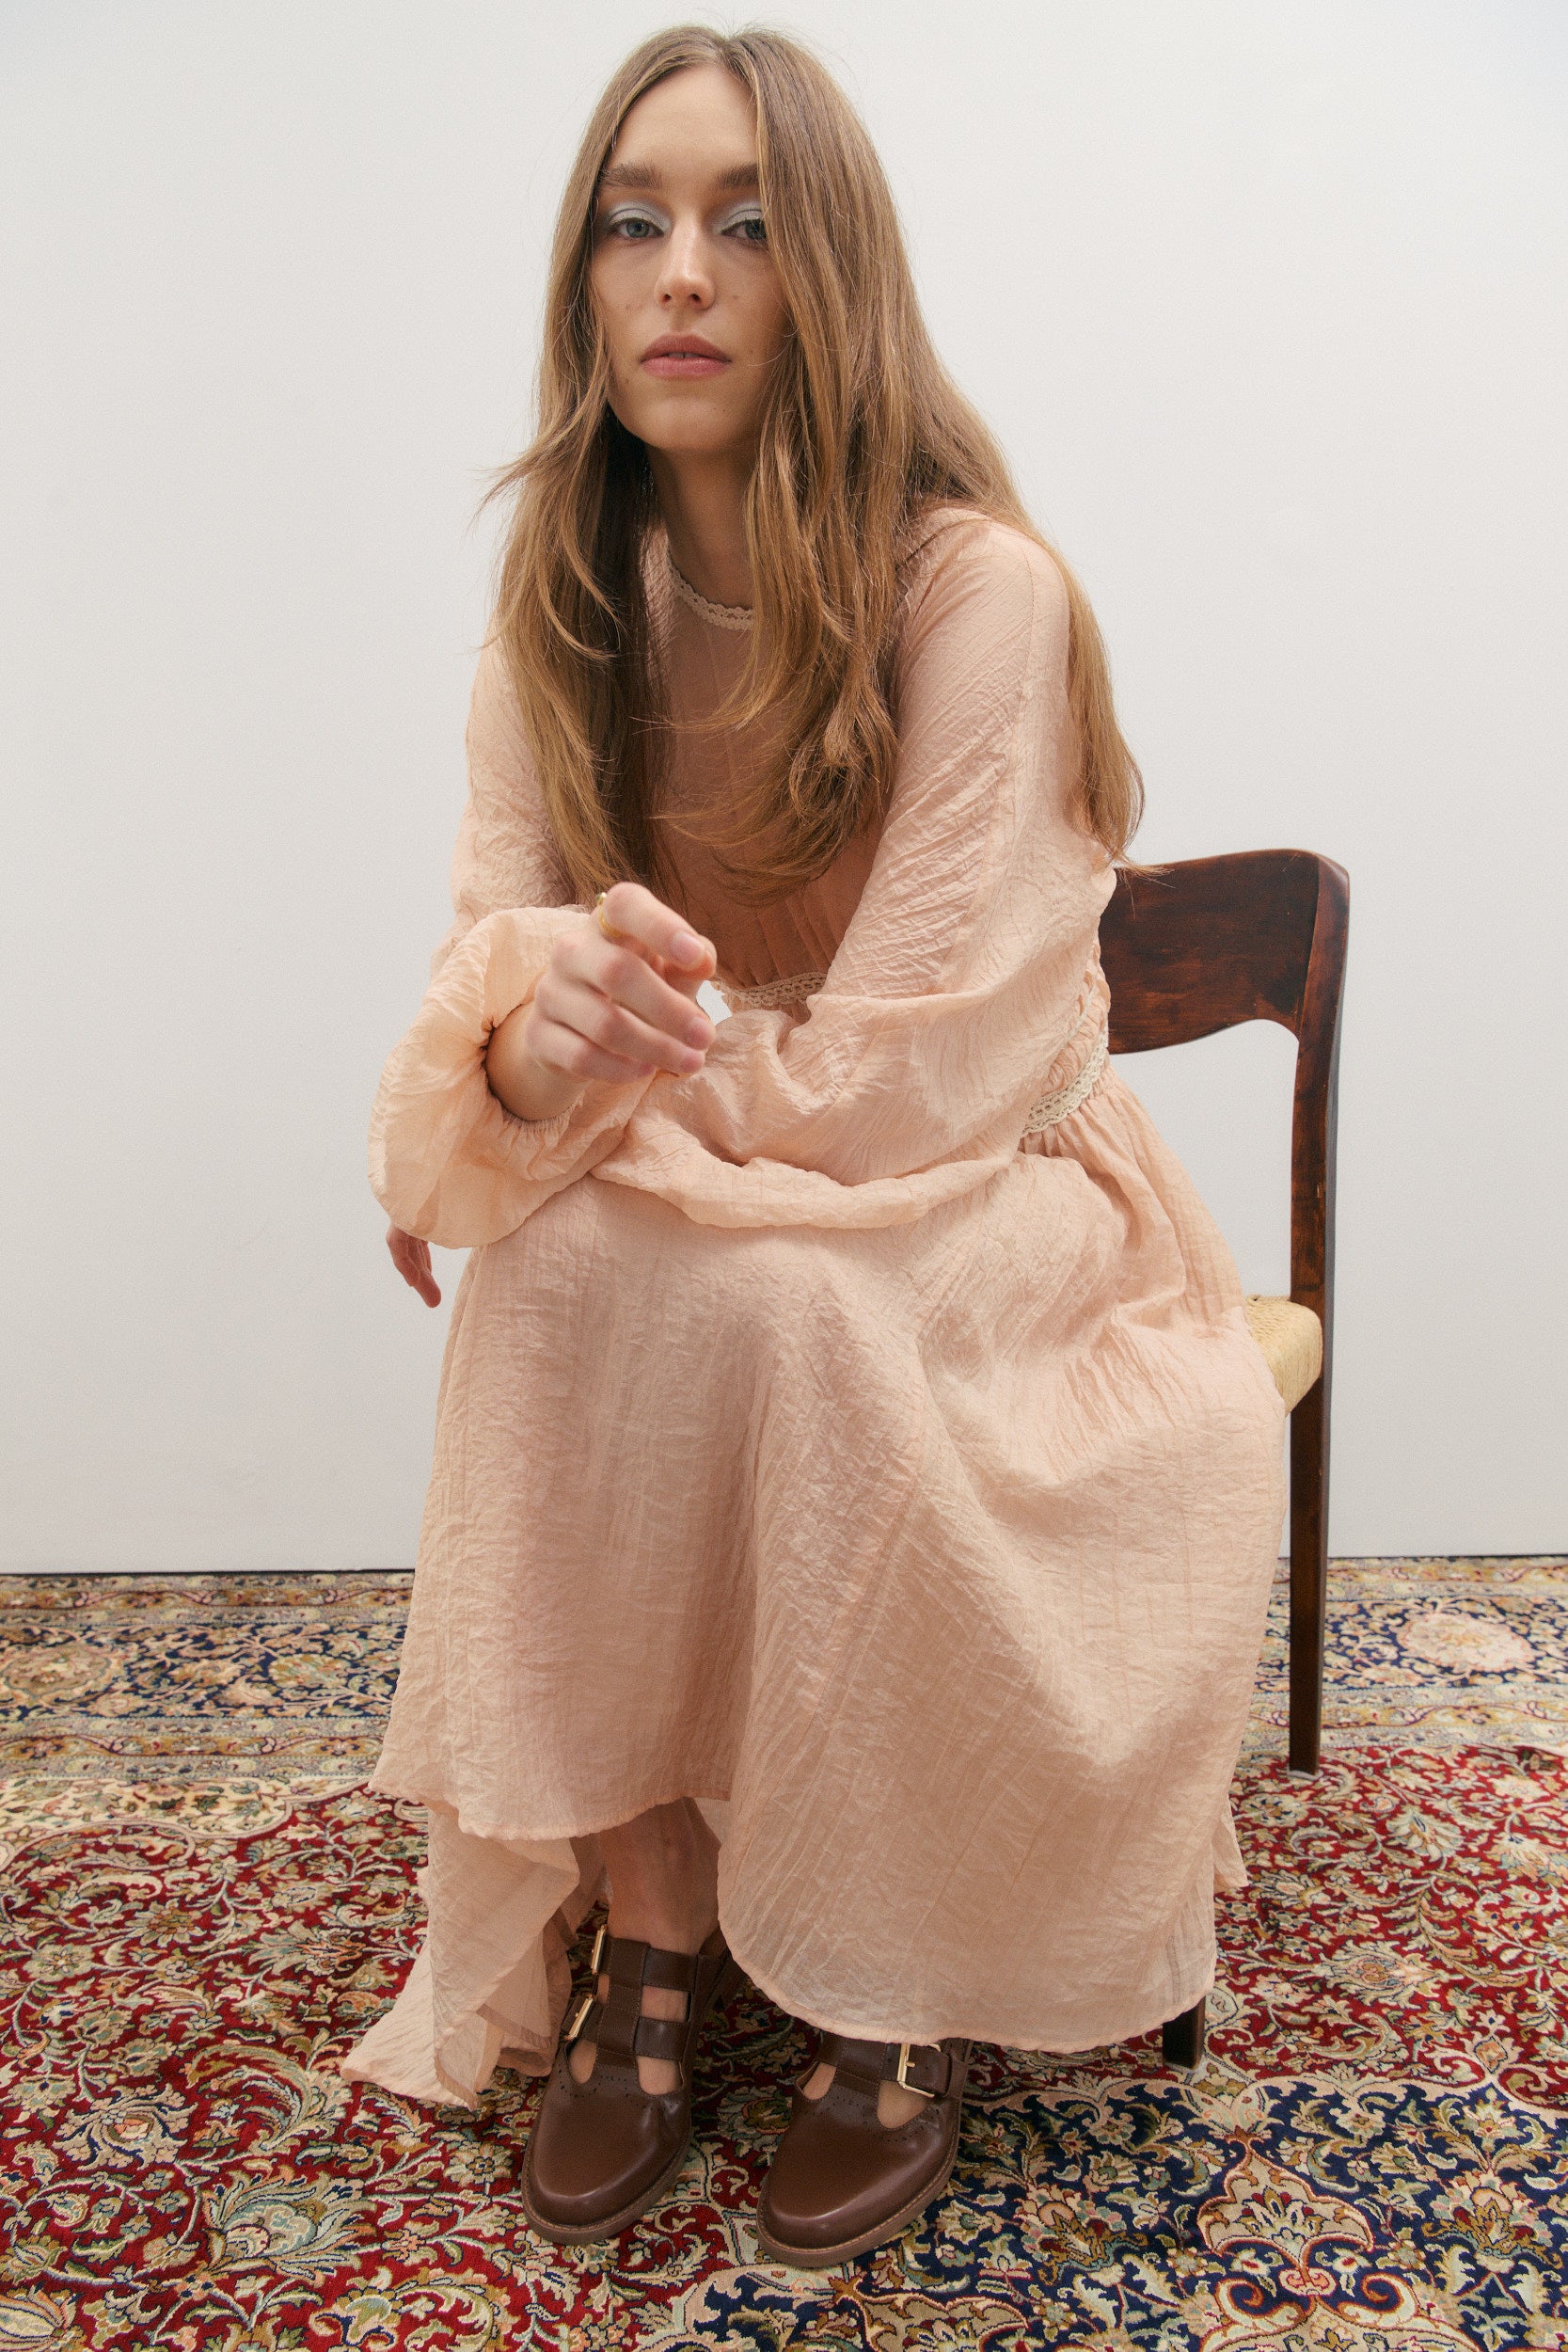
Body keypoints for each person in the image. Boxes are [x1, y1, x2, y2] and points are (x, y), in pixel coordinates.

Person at [343, 24, 1287, 2269]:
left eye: (747, 223)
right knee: (565, 1273)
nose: (682, 271)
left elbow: (901, 1080)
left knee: (789, 1294)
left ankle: (894, 1973)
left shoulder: (979, 593)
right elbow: (496, 969)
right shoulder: (556, 611)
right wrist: (530, 1040)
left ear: (832, 274)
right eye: (634, 219)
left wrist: (560, 1078)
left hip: (998, 1179)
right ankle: (654, 1921)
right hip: (741, 1182)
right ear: (584, 278)